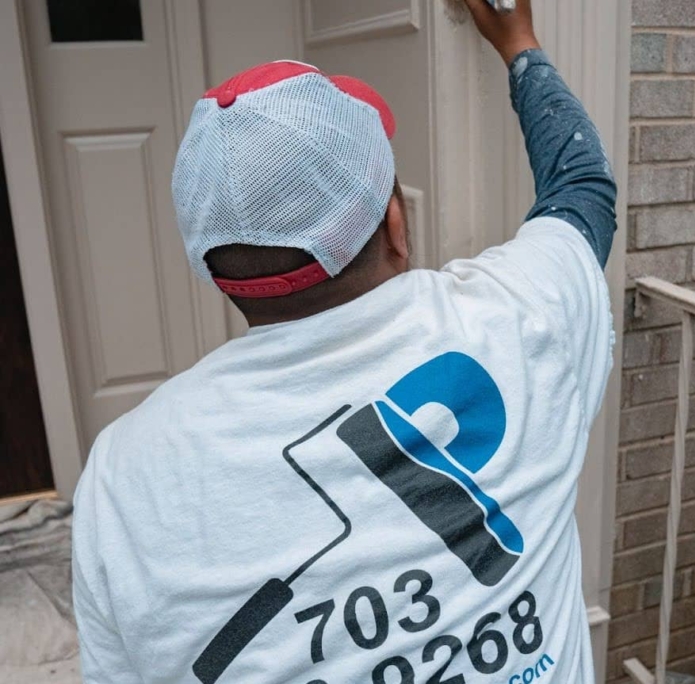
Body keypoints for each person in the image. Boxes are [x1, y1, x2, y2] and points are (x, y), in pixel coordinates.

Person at [71, 0, 617, 682]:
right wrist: (519, 45)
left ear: (219, 276)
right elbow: (581, 190)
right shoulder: (516, 315)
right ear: (396, 224)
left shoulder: (123, 478)